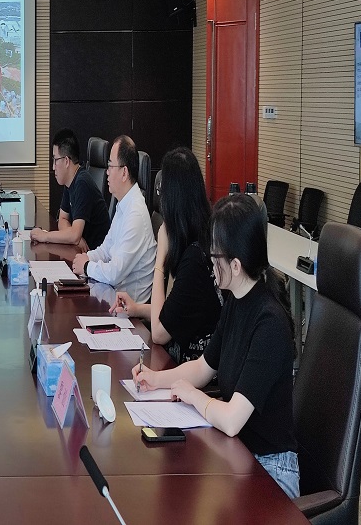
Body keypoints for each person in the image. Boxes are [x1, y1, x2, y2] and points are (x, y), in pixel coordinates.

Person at [132, 194, 298, 498]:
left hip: (272, 471)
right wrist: (156, 379)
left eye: (215, 257)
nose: (210, 262)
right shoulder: (237, 301)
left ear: (235, 265)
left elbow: (232, 419)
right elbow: (203, 367)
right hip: (238, 455)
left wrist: (193, 395)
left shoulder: (269, 324)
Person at [112, 147, 222, 363]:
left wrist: (160, 260)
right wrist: (137, 309)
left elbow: (159, 333)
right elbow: (177, 310)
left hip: (194, 369)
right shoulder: (199, 237)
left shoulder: (195, 258)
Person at [71, 135, 156, 300]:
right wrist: (87, 257)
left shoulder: (135, 214)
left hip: (128, 309)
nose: (107, 172)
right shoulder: (123, 204)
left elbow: (115, 273)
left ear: (124, 172)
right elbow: (106, 249)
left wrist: (87, 266)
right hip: (112, 297)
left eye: (110, 166)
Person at [30, 128, 110, 249]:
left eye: (55, 160)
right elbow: (62, 219)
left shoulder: (82, 183)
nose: (53, 167)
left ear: (66, 161)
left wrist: (45, 236)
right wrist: (74, 237)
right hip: (81, 251)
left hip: (97, 255)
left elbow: (74, 235)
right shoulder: (70, 181)